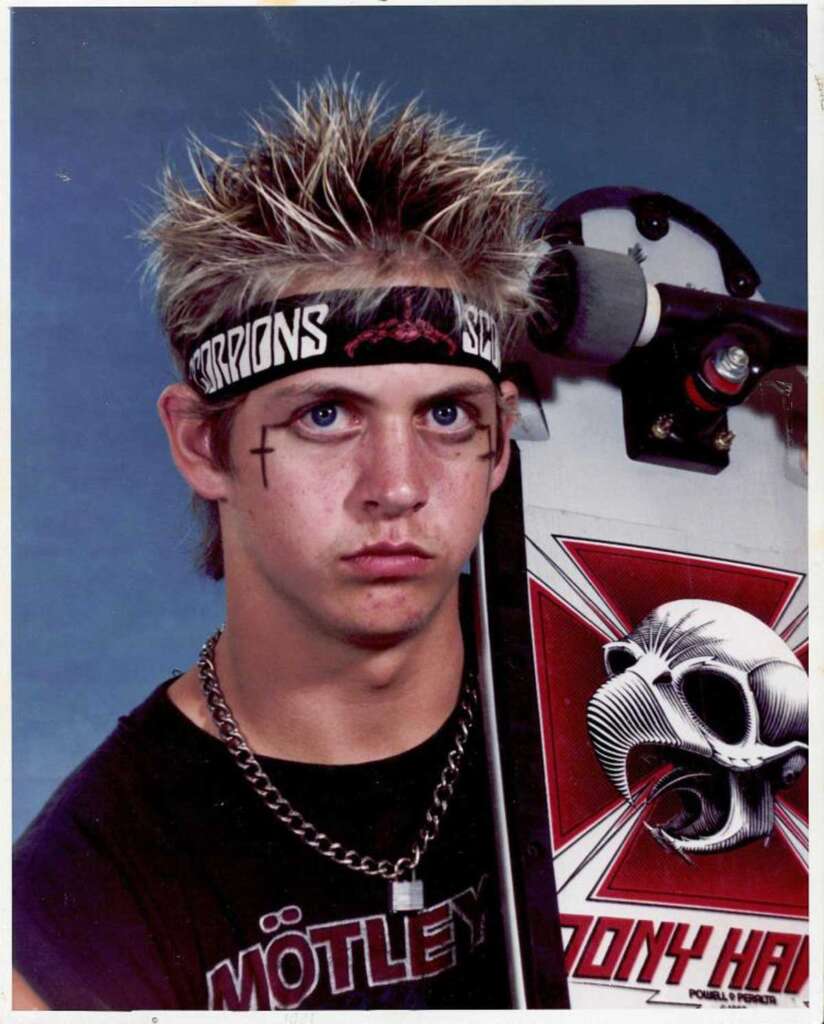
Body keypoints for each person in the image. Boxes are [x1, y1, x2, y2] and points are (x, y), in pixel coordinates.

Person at [13, 80, 546, 1010]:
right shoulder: (79, 904)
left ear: (502, 437)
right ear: (202, 443)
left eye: (448, 414)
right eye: (327, 414)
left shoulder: (638, 695)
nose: (400, 485)